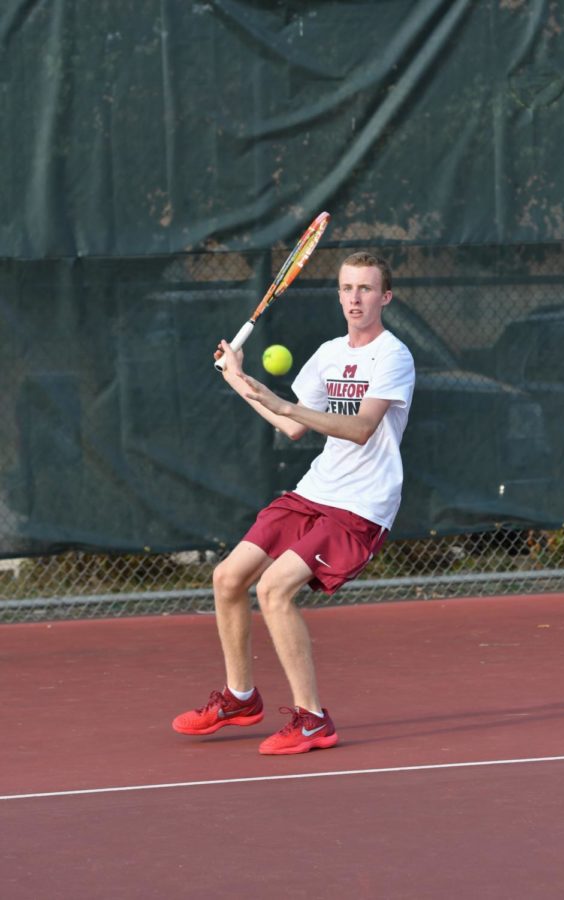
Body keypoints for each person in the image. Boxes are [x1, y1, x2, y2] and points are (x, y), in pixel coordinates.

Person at [172, 251, 415, 754]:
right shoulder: (329, 354)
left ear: (384, 298)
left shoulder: (393, 356)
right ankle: (240, 698)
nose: (355, 298)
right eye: (347, 288)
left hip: (362, 506)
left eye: (366, 289)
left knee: (276, 590)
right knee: (228, 578)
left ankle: (312, 719)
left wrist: (283, 401)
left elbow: (361, 427)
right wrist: (237, 379)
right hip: (315, 490)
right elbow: (292, 424)